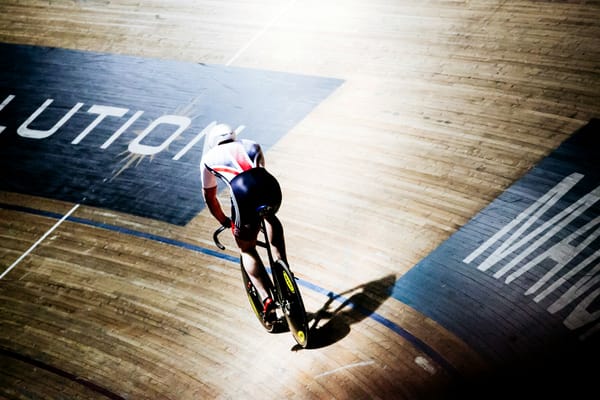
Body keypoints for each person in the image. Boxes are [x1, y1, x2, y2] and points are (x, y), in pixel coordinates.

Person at [200, 123, 287, 323]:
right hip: (268, 184)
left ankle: (266, 299)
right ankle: (283, 266)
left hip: (242, 191)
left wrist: (224, 220)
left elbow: (210, 198)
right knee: (270, 216)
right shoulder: (252, 144)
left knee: (246, 248)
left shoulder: (208, 159)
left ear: (214, 143)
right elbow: (260, 171)